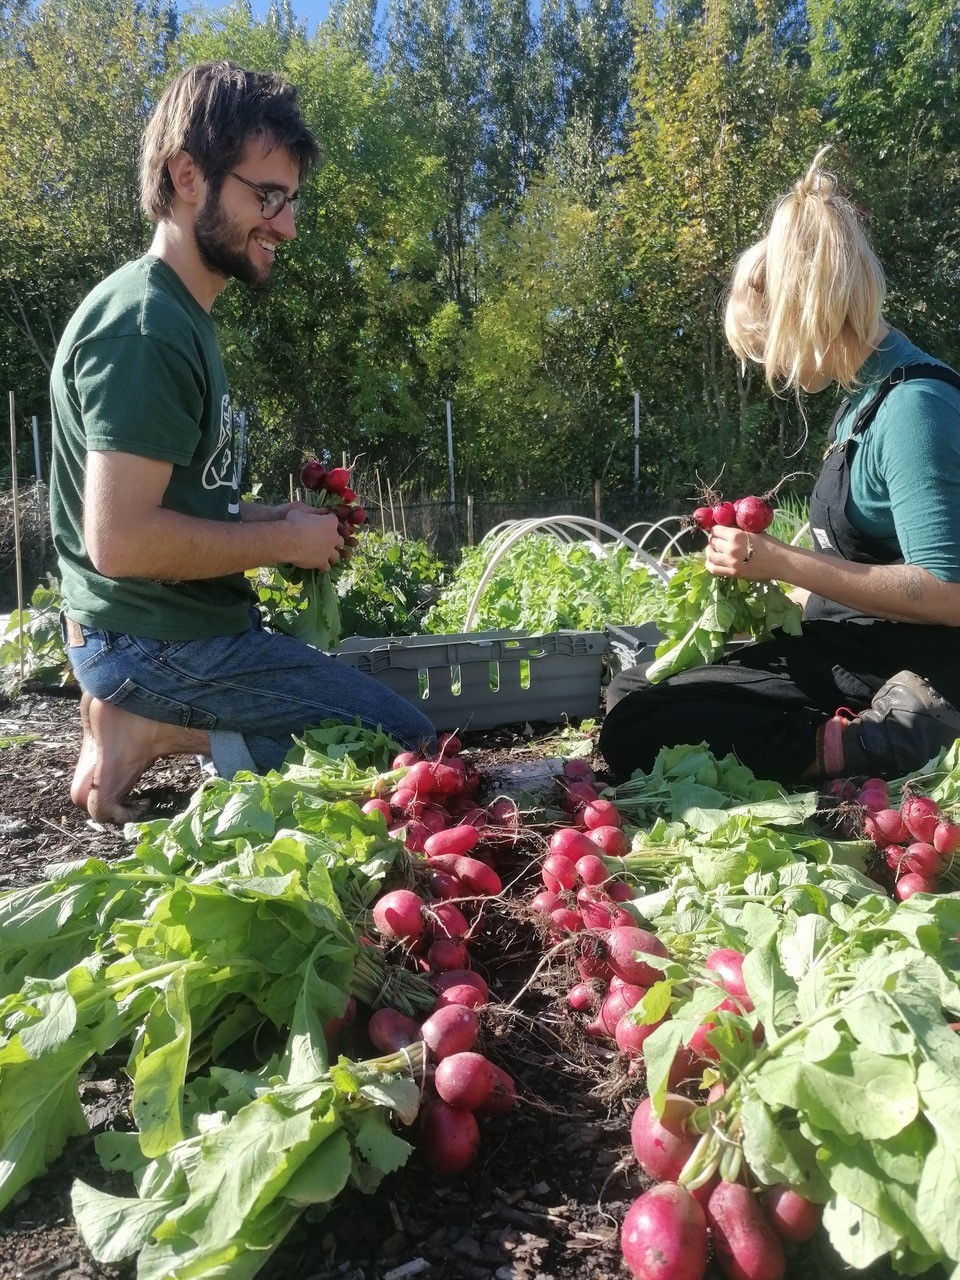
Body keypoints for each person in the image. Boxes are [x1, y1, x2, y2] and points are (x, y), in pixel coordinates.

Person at [50, 61, 436, 824]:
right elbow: (121, 541)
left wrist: (276, 522)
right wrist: (281, 548)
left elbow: (184, 506)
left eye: (290, 201)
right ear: (187, 175)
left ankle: (138, 717)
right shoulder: (147, 328)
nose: (286, 224)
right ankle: (149, 724)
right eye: (266, 197)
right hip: (153, 643)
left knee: (392, 744)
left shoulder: (181, 317)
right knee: (403, 746)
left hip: (166, 633)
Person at [599, 148, 960, 785]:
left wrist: (779, 559)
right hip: (856, 645)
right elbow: (861, 561)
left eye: (773, 348)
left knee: (640, 722)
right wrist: (776, 593)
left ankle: (883, 739)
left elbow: (948, 592)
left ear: (806, 312)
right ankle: (861, 723)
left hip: (916, 656)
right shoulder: (863, 401)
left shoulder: (913, 408)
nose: (780, 371)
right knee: (634, 684)